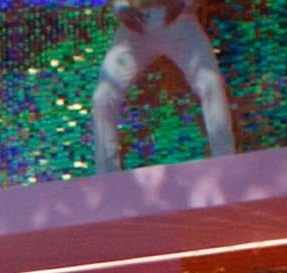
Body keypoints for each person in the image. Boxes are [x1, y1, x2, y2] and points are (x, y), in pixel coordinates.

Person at [91, 2, 234, 172]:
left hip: (180, 20)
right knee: (103, 96)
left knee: (210, 82)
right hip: (137, 23)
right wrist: (121, 7)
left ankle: (226, 161)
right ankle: (106, 173)